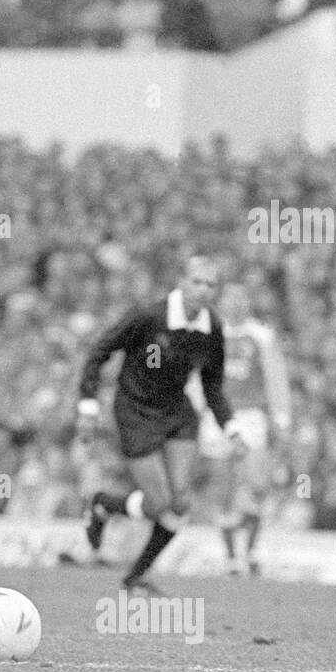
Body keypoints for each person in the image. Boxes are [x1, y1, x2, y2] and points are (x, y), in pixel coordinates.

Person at [77, 255, 243, 595]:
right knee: (158, 504)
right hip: (135, 411)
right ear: (181, 282)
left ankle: (136, 575)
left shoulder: (211, 327)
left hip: (177, 412)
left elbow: (212, 386)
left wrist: (232, 429)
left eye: (210, 284)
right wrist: (88, 406)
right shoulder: (149, 317)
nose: (203, 289)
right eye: (197, 281)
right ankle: (104, 504)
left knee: (181, 502)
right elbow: (99, 351)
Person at [203, 283, 291, 575]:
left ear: (248, 302)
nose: (237, 303)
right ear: (222, 302)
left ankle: (251, 550)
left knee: (258, 484)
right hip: (217, 416)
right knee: (223, 487)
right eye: (231, 298)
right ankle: (232, 558)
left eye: (242, 297)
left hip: (251, 417)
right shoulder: (208, 333)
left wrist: (281, 419)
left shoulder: (261, 335)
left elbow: (276, 377)